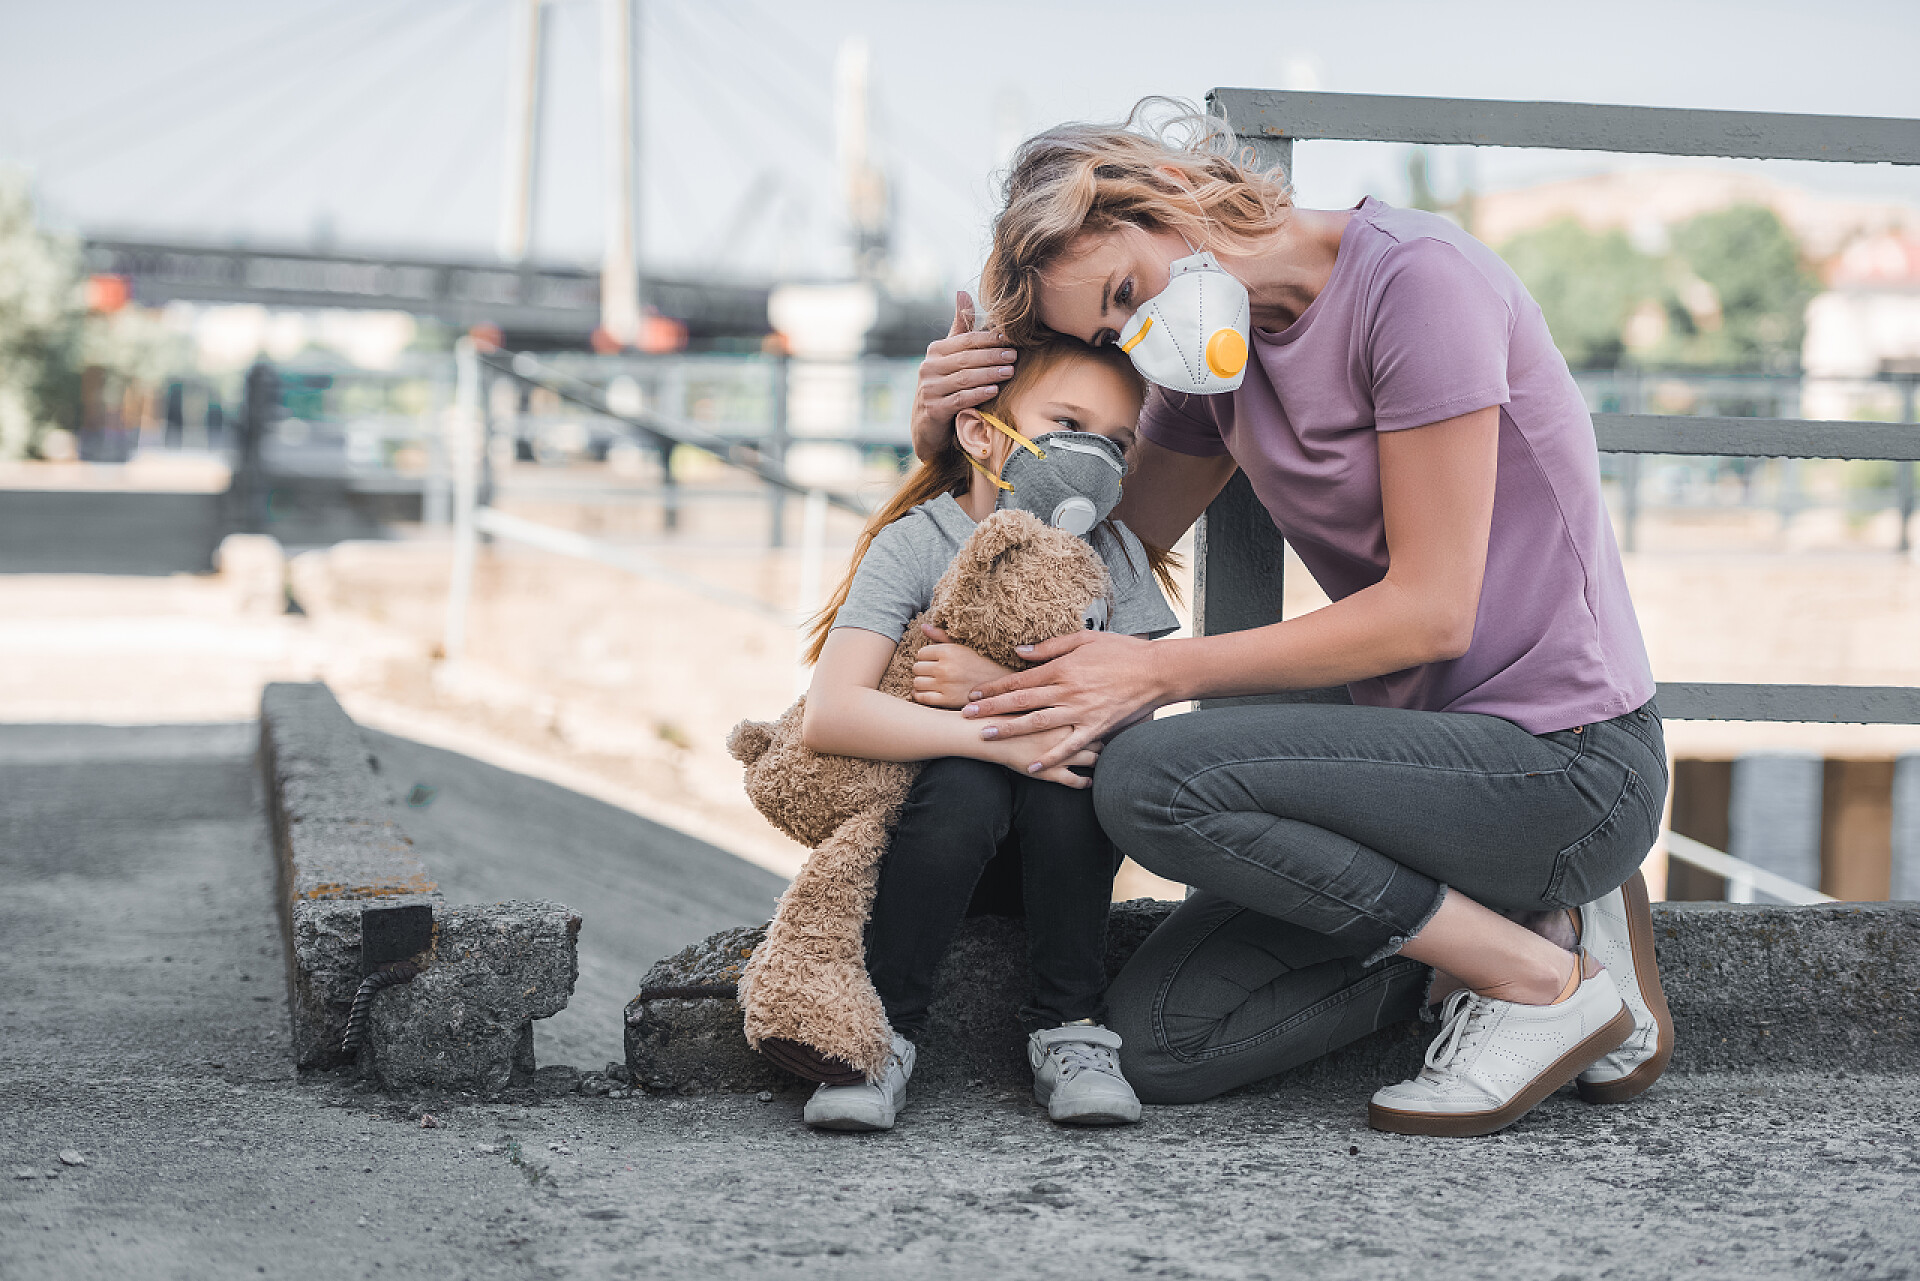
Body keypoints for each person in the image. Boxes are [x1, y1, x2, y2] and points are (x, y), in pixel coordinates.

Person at [906, 104, 1672, 1137]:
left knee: (1148, 777)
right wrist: (952, 447)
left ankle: (1544, 974)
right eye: (1108, 331)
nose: (1135, 336)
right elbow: (1090, 556)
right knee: (1162, 1048)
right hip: (1408, 782)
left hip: (1564, 762)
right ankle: (1501, 930)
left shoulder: (1416, 284)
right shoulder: (1209, 360)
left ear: (1164, 200)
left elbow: (1433, 614)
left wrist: (1157, 676)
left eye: (1127, 293)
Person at [798, 337, 1181, 1133]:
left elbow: (1131, 713)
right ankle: (883, 1030)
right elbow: (831, 711)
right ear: (981, 434)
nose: (1093, 457)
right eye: (1067, 422)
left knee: (1066, 778)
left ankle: (1070, 1027)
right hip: (930, 848)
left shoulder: (1113, 556)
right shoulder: (915, 542)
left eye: (1114, 442)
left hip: (1061, 847)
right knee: (972, 781)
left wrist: (987, 692)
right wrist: (992, 739)